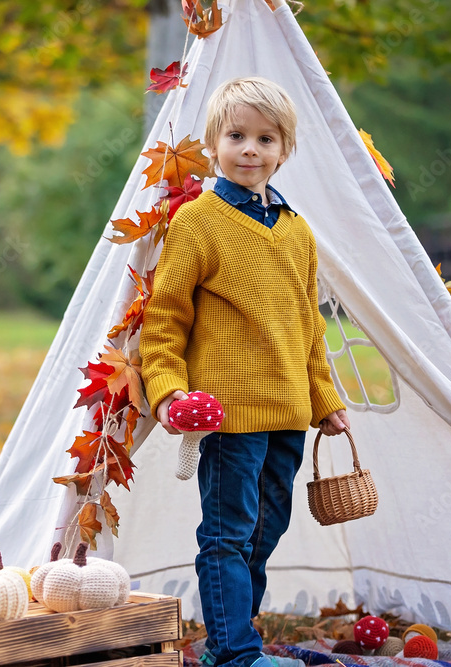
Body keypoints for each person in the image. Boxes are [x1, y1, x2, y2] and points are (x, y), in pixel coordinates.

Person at [140, 77, 349, 667]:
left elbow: (310, 328)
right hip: (228, 413)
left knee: (266, 529)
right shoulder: (198, 222)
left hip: (288, 409)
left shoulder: (297, 231)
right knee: (227, 533)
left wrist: (325, 398)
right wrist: (168, 392)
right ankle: (234, 653)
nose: (250, 149)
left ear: (285, 149)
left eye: (265, 138)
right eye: (236, 136)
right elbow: (165, 321)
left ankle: (233, 638)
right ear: (213, 143)